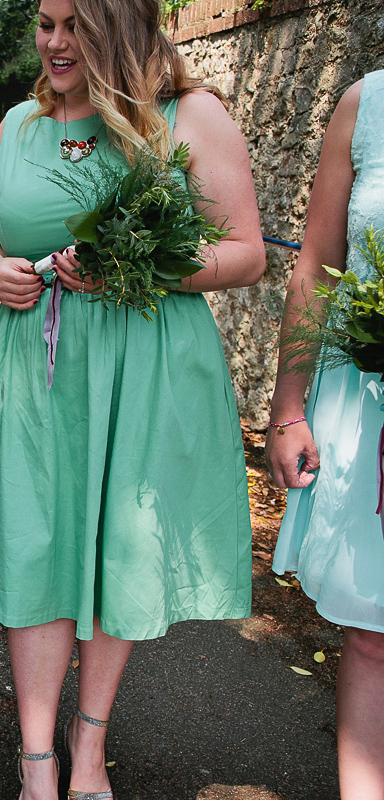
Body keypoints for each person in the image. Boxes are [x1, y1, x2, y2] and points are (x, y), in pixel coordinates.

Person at [0, 0, 266, 796]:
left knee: (121, 547)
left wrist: (134, 266)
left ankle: (89, 750)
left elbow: (246, 253)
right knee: (34, 542)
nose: (51, 42)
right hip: (35, 359)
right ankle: (36, 761)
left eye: (72, 25)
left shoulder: (187, 118)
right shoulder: (20, 123)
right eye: (45, 23)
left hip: (141, 363)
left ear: (120, 28)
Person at [267, 72, 384, 800]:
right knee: (373, 638)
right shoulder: (365, 104)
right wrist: (288, 404)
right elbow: (318, 268)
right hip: (367, 409)